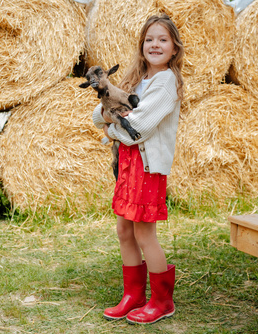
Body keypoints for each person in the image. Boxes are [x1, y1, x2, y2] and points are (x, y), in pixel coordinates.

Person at [92, 14, 184, 325]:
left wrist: (112, 129)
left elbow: (140, 127)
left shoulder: (165, 82)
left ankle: (162, 300)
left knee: (145, 234)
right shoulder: (135, 80)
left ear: (174, 48)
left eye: (162, 40)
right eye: (149, 39)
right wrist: (116, 116)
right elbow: (98, 112)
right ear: (141, 45)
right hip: (128, 165)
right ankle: (134, 295)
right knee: (124, 231)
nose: (155, 45)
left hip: (148, 167)